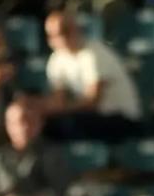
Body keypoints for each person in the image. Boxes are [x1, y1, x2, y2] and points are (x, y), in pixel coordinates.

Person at [40, 9, 141, 142]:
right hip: (93, 118)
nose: (62, 37)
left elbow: (92, 102)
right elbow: (59, 99)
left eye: (66, 31)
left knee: (71, 124)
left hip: (121, 118)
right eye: (55, 34)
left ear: (76, 30)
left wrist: (59, 109)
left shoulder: (94, 53)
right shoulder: (57, 60)